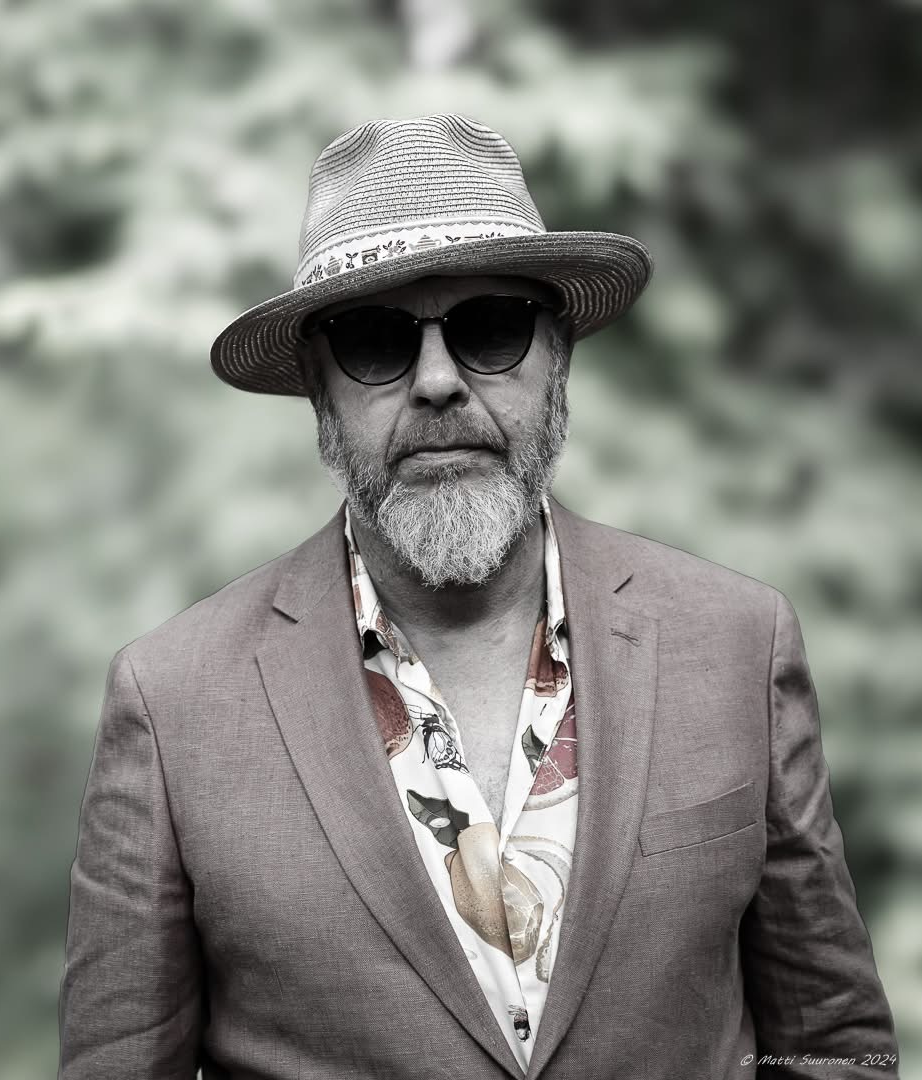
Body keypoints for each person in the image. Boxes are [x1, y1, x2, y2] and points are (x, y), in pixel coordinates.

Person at [58, 115, 900, 1080]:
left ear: (558, 357)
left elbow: (830, 1045)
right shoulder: (172, 703)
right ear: (318, 391)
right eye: (373, 341)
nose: (437, 383)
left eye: (490, 328)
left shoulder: (736, 641)